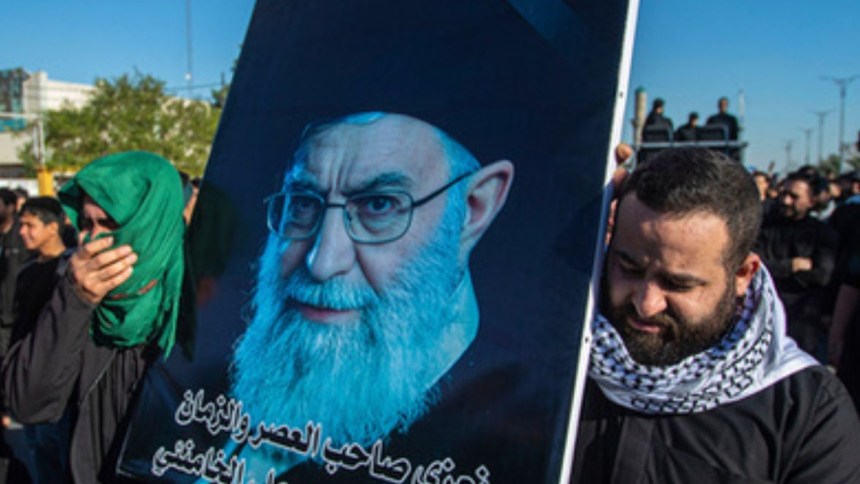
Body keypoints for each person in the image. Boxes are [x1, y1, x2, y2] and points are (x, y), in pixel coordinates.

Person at [229, 112, 514, 478]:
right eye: (304, 203)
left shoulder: (495, 444)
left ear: (473, 209)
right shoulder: (225, 382)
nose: (322, 262)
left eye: (379, 204)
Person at [572, 147, 860, 483]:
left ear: (742, 275)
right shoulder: (561, 356)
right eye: (629, 268)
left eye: (678, 284)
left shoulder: (806, 412)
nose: (646, 304)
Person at [2, 151, 186, 483]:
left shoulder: (200, 304)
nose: (90, 240)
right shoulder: (73, 290)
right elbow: (29, 403)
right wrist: (75, 302)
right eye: (86, 224)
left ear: (149, 226)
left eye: (109, 224)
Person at [11, 197, 70, 484]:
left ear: (52, 228)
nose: (23, 232)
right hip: (29, 380)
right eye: (21, 225)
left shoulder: (70, 271)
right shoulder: (27, 271)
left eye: (30, 225)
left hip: (58, 384)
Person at [755, 171, 837, 360]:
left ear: (811, 201)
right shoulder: (764, 228)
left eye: (794, 196)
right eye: (784, 194)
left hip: (803, 320)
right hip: (764, 314)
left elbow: (822, 275)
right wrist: (791, 266)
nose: (786, 201)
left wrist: (777, 269)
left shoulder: (823, 234)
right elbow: (757, 267)